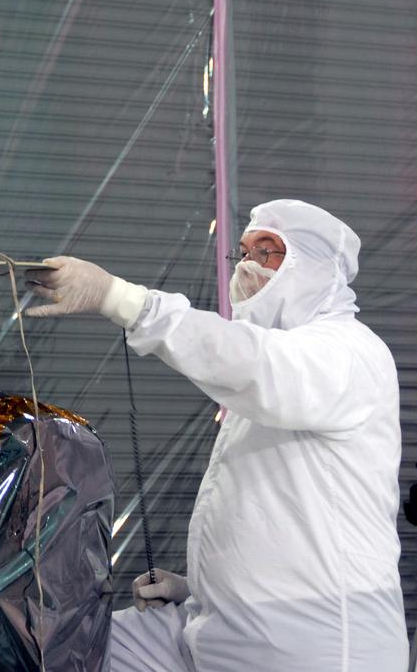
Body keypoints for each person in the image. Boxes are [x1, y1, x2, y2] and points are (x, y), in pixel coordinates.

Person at [25, 199, 406, 671]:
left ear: (315, 266)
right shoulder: (283, 359)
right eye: (243, 252)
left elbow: (249, 362)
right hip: (225, 628)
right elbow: (274, 520)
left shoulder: (348, 353)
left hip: (315, 642)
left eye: (267, 252)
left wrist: (119, 299)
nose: (248, 266)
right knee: (65, 647)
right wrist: (200, 589)